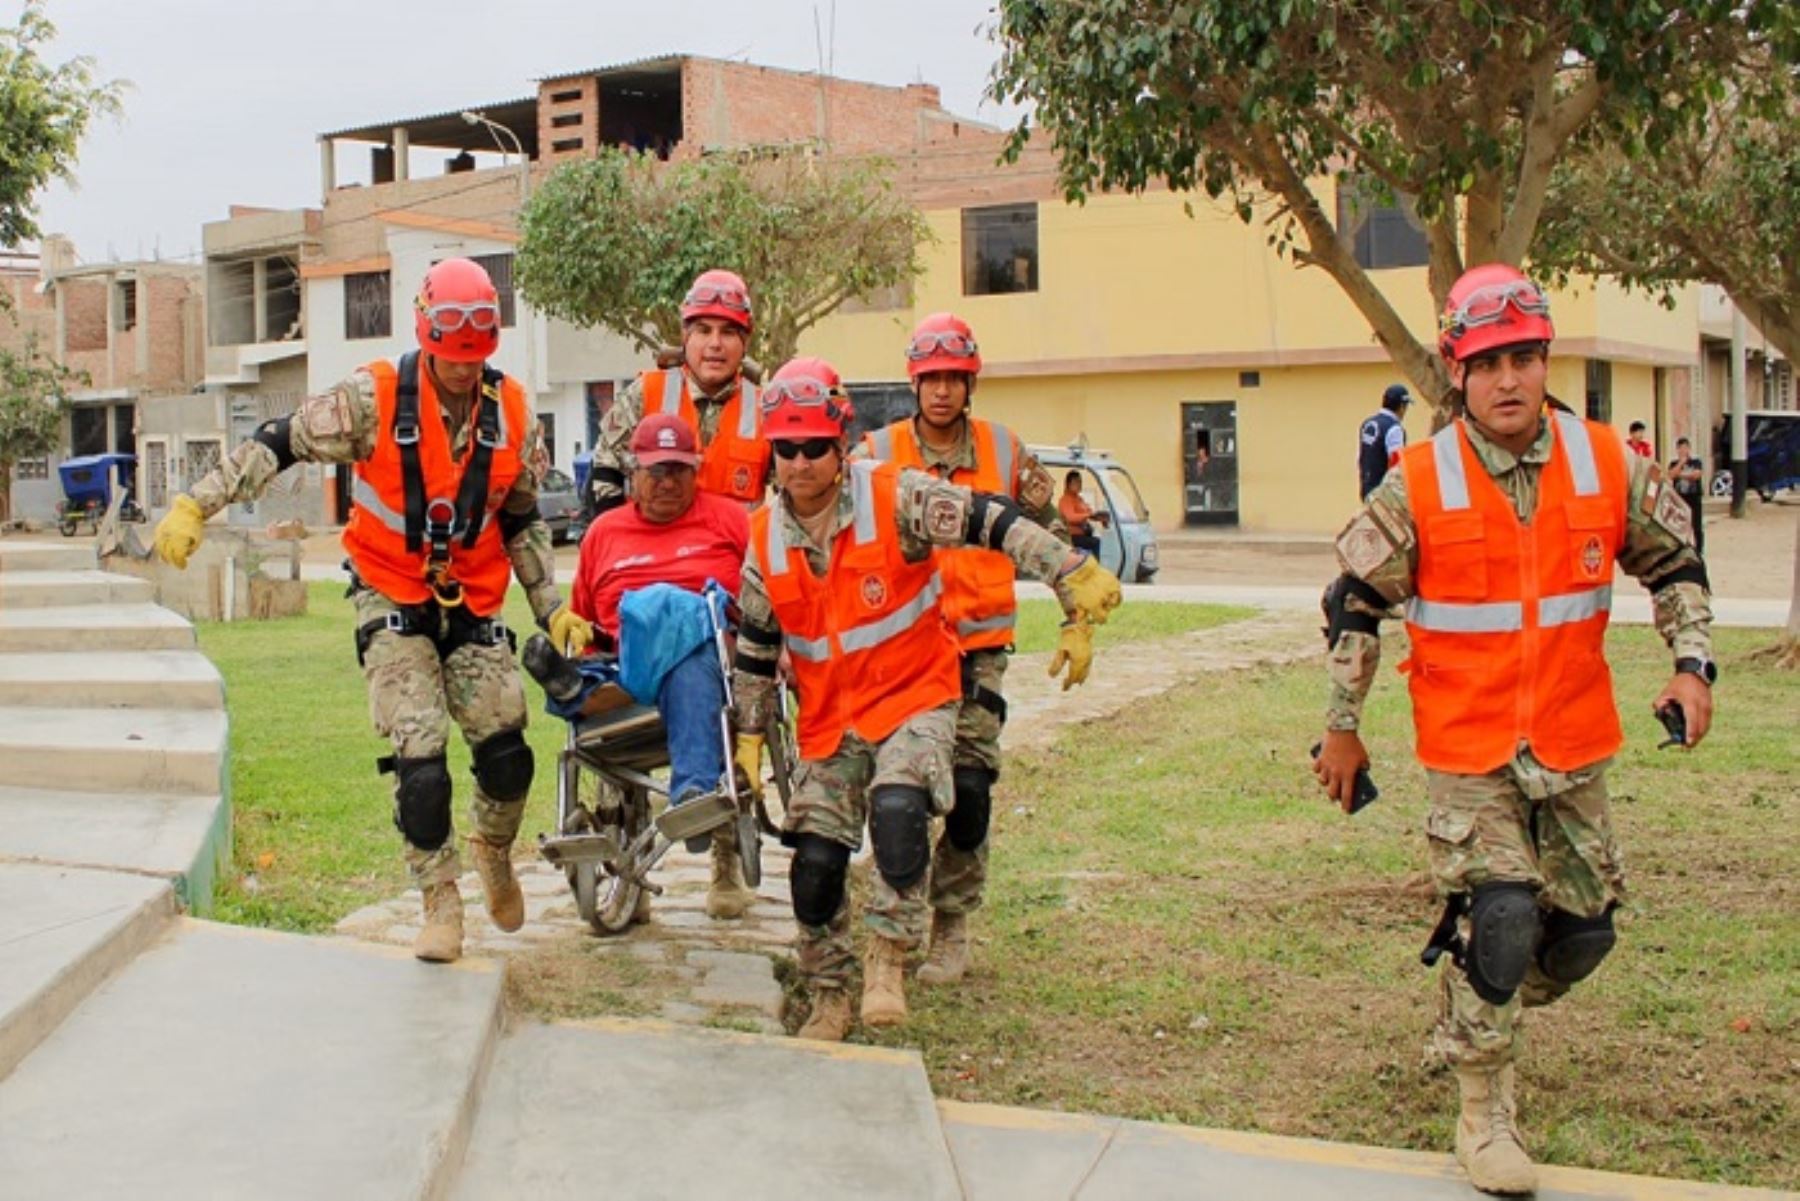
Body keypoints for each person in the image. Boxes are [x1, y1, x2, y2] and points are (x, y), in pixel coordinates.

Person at [1312, 263, 1715, 1196]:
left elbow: (1676, 561)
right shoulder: (1419, 480)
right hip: (1470, 748)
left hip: (1572, 741)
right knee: (1499, 916)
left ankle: (1473, 994)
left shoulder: (1608, 462)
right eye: (1486, 362)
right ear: (1458, 370)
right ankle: (1483, 1107)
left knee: (1577, 936)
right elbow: (1352, 604)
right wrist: (1342, 728)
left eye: (1524, 358)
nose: (1507, 380)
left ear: (1546, 360)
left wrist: (1693, 666)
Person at [153, 258, 578, 964]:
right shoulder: (371, 399)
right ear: (427, 337)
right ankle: (441, 901)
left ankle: (492, 850)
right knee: (423, 768)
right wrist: (197, 501)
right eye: (451, 359)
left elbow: (523, 517)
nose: (465, 373)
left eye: (476, 360)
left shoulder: (515, 413)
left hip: (471, 599)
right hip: (391, 594)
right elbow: (277, 440)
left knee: (508, 759)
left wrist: (550, 607)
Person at [730, 357, 1122, 1042]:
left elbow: (991, 521)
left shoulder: (896, 495)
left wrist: (1070, 571)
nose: (799, 463)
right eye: (785, 449)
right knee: (815, 870)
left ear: (840, 443)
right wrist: (750, 734)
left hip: (914, 695)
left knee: (901, 812)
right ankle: (830, 993)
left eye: (814, 447)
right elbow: (757, 647)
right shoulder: (764, 537)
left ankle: (888, 955)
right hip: (831, 724)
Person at [856, 313, 1063, 988]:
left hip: (980, 648)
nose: (941, 390)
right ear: (913, 383)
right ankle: (892, 921)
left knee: (971, 788)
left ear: (970, 382)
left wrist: (1074, 607)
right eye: (930, 377)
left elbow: (1048, 534)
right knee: (902, 789)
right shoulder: (877, 452)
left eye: (953, 377)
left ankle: (952, 920)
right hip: (903, 646)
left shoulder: (1006, 451)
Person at [536, 411, 756, 920]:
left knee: (689, 638)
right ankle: (564, 683)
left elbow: (762, 607)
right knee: (582, 666)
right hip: (620, 665)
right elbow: (586, 620)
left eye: (678, 469)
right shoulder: (603, 533)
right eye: (655, 471)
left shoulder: (729, 520)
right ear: (632, 474)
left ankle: (694, 792)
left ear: (696, 471)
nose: (666, 482)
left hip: (698, 660)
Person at [588, 268, 769, 514]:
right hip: (655, 547)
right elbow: (604, 471)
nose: (715, 344)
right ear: (685, 335)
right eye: (704, 330)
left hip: (732, 550)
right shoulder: (644, 394)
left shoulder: (767, 410)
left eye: (727, 332)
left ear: (745, 342)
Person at [1358, 383, 1412, 501]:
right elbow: (1397, 465)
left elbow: (1361, 457)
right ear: (1402, 406)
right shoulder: (1394, 429)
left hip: (1367, 489)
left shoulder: (1367, 424)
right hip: (1383, 495)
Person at [1668, 436, 1706, 556]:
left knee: (1697, 525)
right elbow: (1671, 475)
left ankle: (1699, 550)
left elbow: (1696, 475)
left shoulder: (1696, 462)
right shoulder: (1674, 463)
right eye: (1680, 448)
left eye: (1685, 448)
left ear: (1689, 448)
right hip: (1679, 498)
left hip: (1694, 497)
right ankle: (1680, 548)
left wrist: (1681, 475)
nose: (1683, 450)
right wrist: (1681, 464)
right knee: (1679, 525)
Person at [1058, 469, 1108, 554]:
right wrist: (1087, 515)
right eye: (1076, 482)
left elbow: (1089, 512)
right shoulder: (1066, 500)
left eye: (1080, 482)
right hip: (1071, 537)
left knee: (1099, 540)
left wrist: (1101, 518)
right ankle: (1095, 566)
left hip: (1083, 534)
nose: (1079, 485)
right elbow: (1070, 517)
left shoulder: (1079, 499)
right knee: (1096, 542)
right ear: (1068, 484)